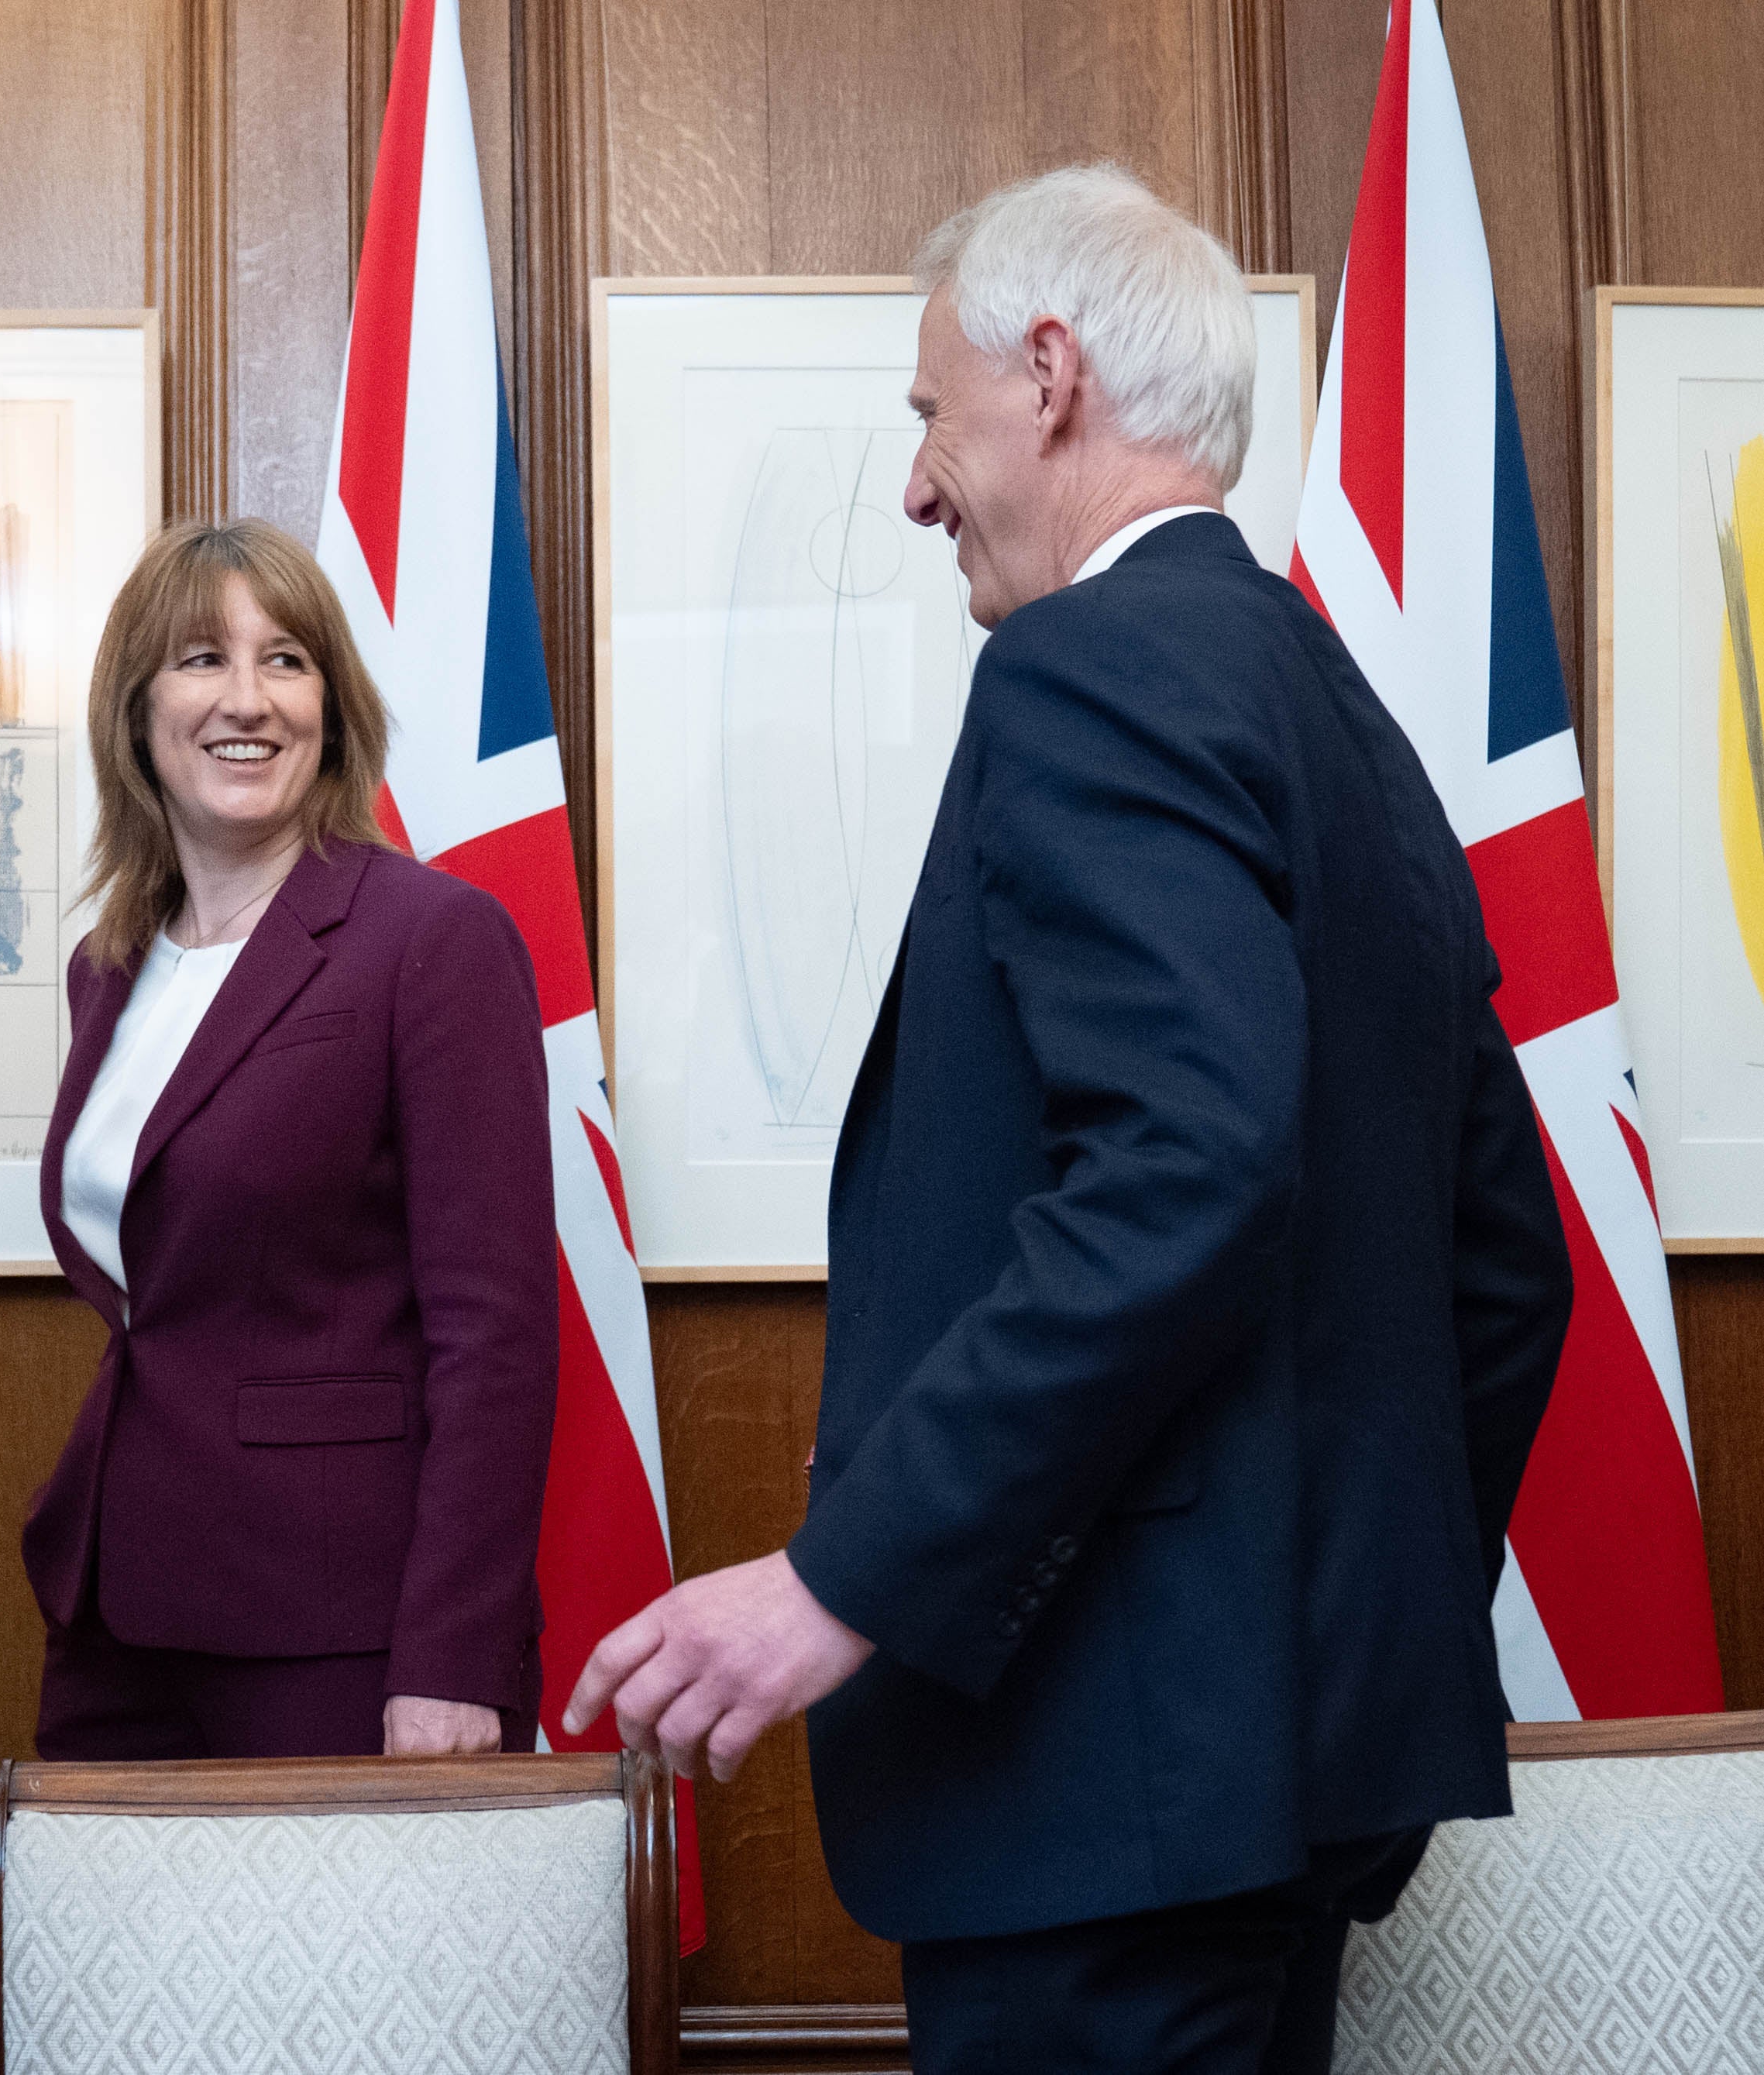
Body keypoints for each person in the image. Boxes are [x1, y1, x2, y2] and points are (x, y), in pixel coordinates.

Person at [563, 163, 1573, 2073]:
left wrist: (843, 1575)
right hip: (1288, 1781)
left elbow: (1183, 1172)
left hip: (1098, 1789)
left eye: (929, 418)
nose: (920, 485)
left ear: (1047, 374)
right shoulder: (1341, 718)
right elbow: (1505, 1269)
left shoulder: (1085, 671)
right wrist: (1333, 1619)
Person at [19, 518, 559, 1762]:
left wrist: (453, 1655)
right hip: (115, 1612)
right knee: (119, 1960)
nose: (247, 700)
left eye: (288, 661)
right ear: (137, 707)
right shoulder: (106, 970)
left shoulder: (429, 940)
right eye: (202, 658)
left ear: (331, 704)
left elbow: (497, 1331)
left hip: (346, 1628)